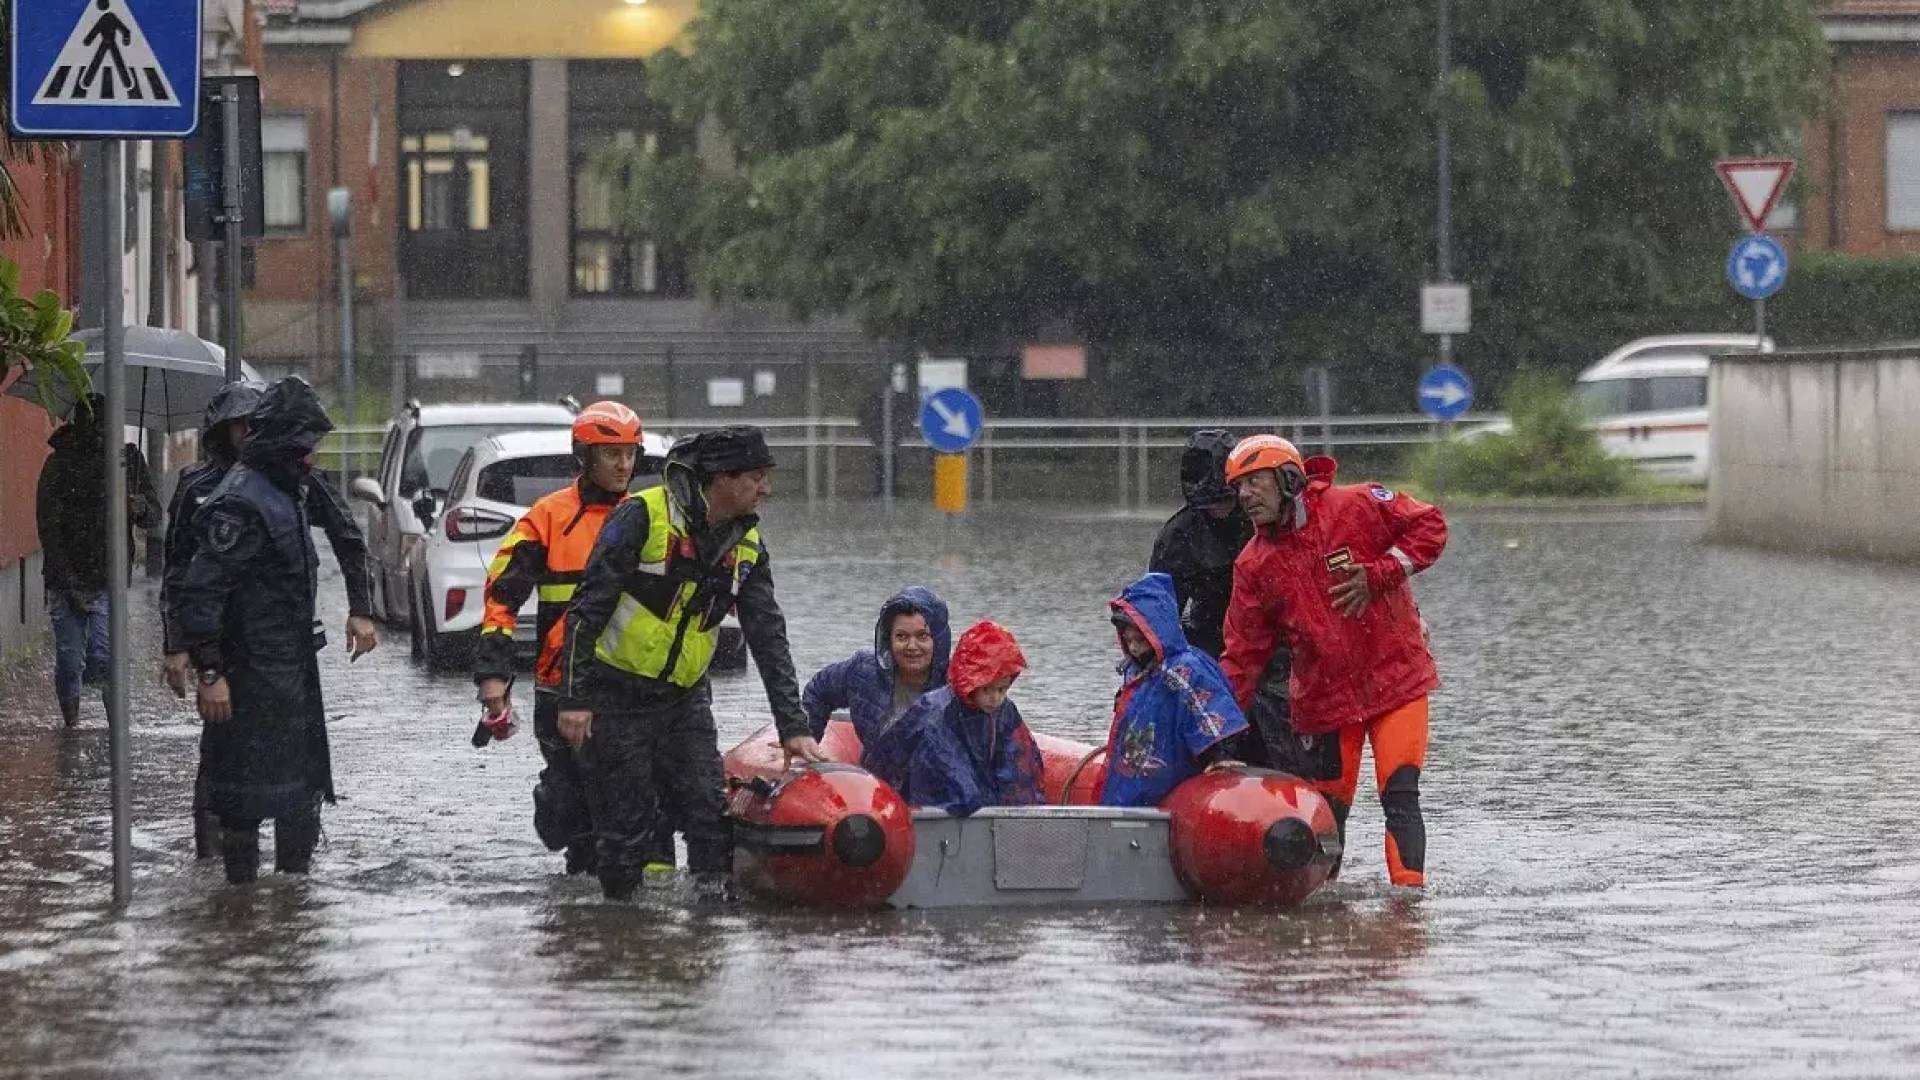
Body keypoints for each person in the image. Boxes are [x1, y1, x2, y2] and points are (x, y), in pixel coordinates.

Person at [558, 425, 813, 900]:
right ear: (721, 477)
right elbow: (586, 611)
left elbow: (768, 638)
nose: (766, 489)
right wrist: (575, 699)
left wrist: (792, 726)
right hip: (616, 696)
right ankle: (621, 934)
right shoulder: (643, 516)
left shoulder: (748, 546)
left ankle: (707, 928)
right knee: (625, 832)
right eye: (756, 477)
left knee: (708, 816)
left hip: (685, 700)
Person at [159, 379, 378, 859]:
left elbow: (346, 535)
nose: (313, 457)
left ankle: (287, 902)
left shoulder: (293, 486)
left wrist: (360, 609)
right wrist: (198, 660)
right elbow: (188, 580)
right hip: (244, 662)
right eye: (234, 425)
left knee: (297, 783)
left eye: (248, 423)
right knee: (234, 784)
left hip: (289, 659)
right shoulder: (223, 494)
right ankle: (232, 890)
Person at [1218, 435, 1447, 888]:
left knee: (1400, 796)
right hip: (1324, 702)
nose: (1244, 496)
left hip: (1395, 683)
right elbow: (1241, 658)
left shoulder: (1356, 505)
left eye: (1253, 482)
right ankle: (1323, 905)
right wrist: (1213, 733)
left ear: (1288, 479)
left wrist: (1380, 575)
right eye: (1238, 487)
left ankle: (1407, 911)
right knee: (1327, 813)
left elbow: (1431, 526)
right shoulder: (1252, 565)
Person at [472, 401, 643, 877]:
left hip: (631, 682)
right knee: (577, 812)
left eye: (630, 454)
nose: (624, 465)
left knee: (631, 809)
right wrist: (493, 677)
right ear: (584, 457)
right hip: (560, 683)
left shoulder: (648, 515)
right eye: (612, 455)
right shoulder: (546, 518)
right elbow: (501, 599)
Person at [35, 393, 162, 728]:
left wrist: (138, 507)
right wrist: (66, 581)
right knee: (68, 659)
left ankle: (114, 729)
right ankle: (72, 726)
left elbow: (153, 514)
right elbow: (49, 527)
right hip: (67, 579)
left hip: (110, 577)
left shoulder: (129, 463)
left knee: (104, 657)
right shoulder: (60, 464)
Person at [1098, 572, 1250, 808]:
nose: (1134, 648)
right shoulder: (1137, 672)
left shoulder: (1185, 669)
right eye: (1129, 641)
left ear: (1157, 632)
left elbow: (1212, 715)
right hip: (1139, 771)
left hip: (1174, 772)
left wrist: (1219, 756)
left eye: (1140, 639)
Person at [864, 620, 1045, 816]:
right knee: (963, 794)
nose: (995, 698)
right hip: (913, 796)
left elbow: (1018, 761)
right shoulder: (939, 712)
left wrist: (1019, 809)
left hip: (973, 787)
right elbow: (947, 768)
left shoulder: (1004, 710)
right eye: (987, 689)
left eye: (1002, 689)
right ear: (970, 682)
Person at [800, 586, 952, 752]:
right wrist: (805, 737)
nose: (912, 646)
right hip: (874, 774)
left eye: (922, 636)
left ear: (938, 640)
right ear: (889, 640)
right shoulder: (863, 671)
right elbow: (818, 691)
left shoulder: (956, 683)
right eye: (901, 636)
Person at [1148, 429, 1252, 658]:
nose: (1219, 510)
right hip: (1210, 634)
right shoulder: (1177, 538)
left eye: (1226, 500)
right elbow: (1160, 616)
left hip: (1272, 631)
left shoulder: (1266, 516)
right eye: (1208, 505)